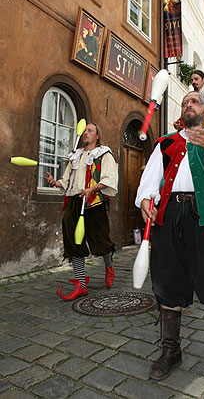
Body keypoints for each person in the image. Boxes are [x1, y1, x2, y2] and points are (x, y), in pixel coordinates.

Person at [136, 91, 204, 381]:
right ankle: (171, 350)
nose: (188, 105)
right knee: (167, 279)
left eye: (194, 101)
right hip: (169, 215)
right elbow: (149, 180)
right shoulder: (165, 142)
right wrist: (147, 201)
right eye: (184, 103)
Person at [44, 123, 118, 300]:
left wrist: (92, 189)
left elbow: (109, 178)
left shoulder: (104, 154)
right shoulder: (75, 156)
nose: (85, 133)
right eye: (85, 131)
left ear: (97, 136)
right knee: (72, 242)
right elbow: (67, 179)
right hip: (74, 201)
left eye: (89, 131)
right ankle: (81, 284)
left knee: (100, 241)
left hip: (93, 202)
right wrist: (55, 183)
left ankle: (108, 265)